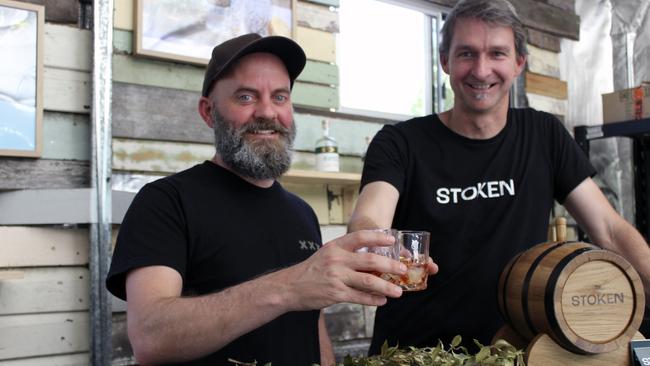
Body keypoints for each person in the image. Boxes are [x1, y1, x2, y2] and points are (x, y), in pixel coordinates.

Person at [348, 0, 650, 355]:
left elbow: (610, 230)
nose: (481, 69)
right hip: (413, 356)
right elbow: (369, 222)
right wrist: (371, 242)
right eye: (466, 54)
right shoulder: (400, 142)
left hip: (512, 354)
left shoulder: (544, 135)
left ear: (519, 63)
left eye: (497, 53)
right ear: (444, 61)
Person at [106, 33, 423, 365]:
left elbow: (311, 325)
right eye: (246, 97)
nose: (268, 112)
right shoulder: (165, 202)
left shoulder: (301, 213)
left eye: (280, 97)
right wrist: (289, 287)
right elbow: (150, 337)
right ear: (208, 112)